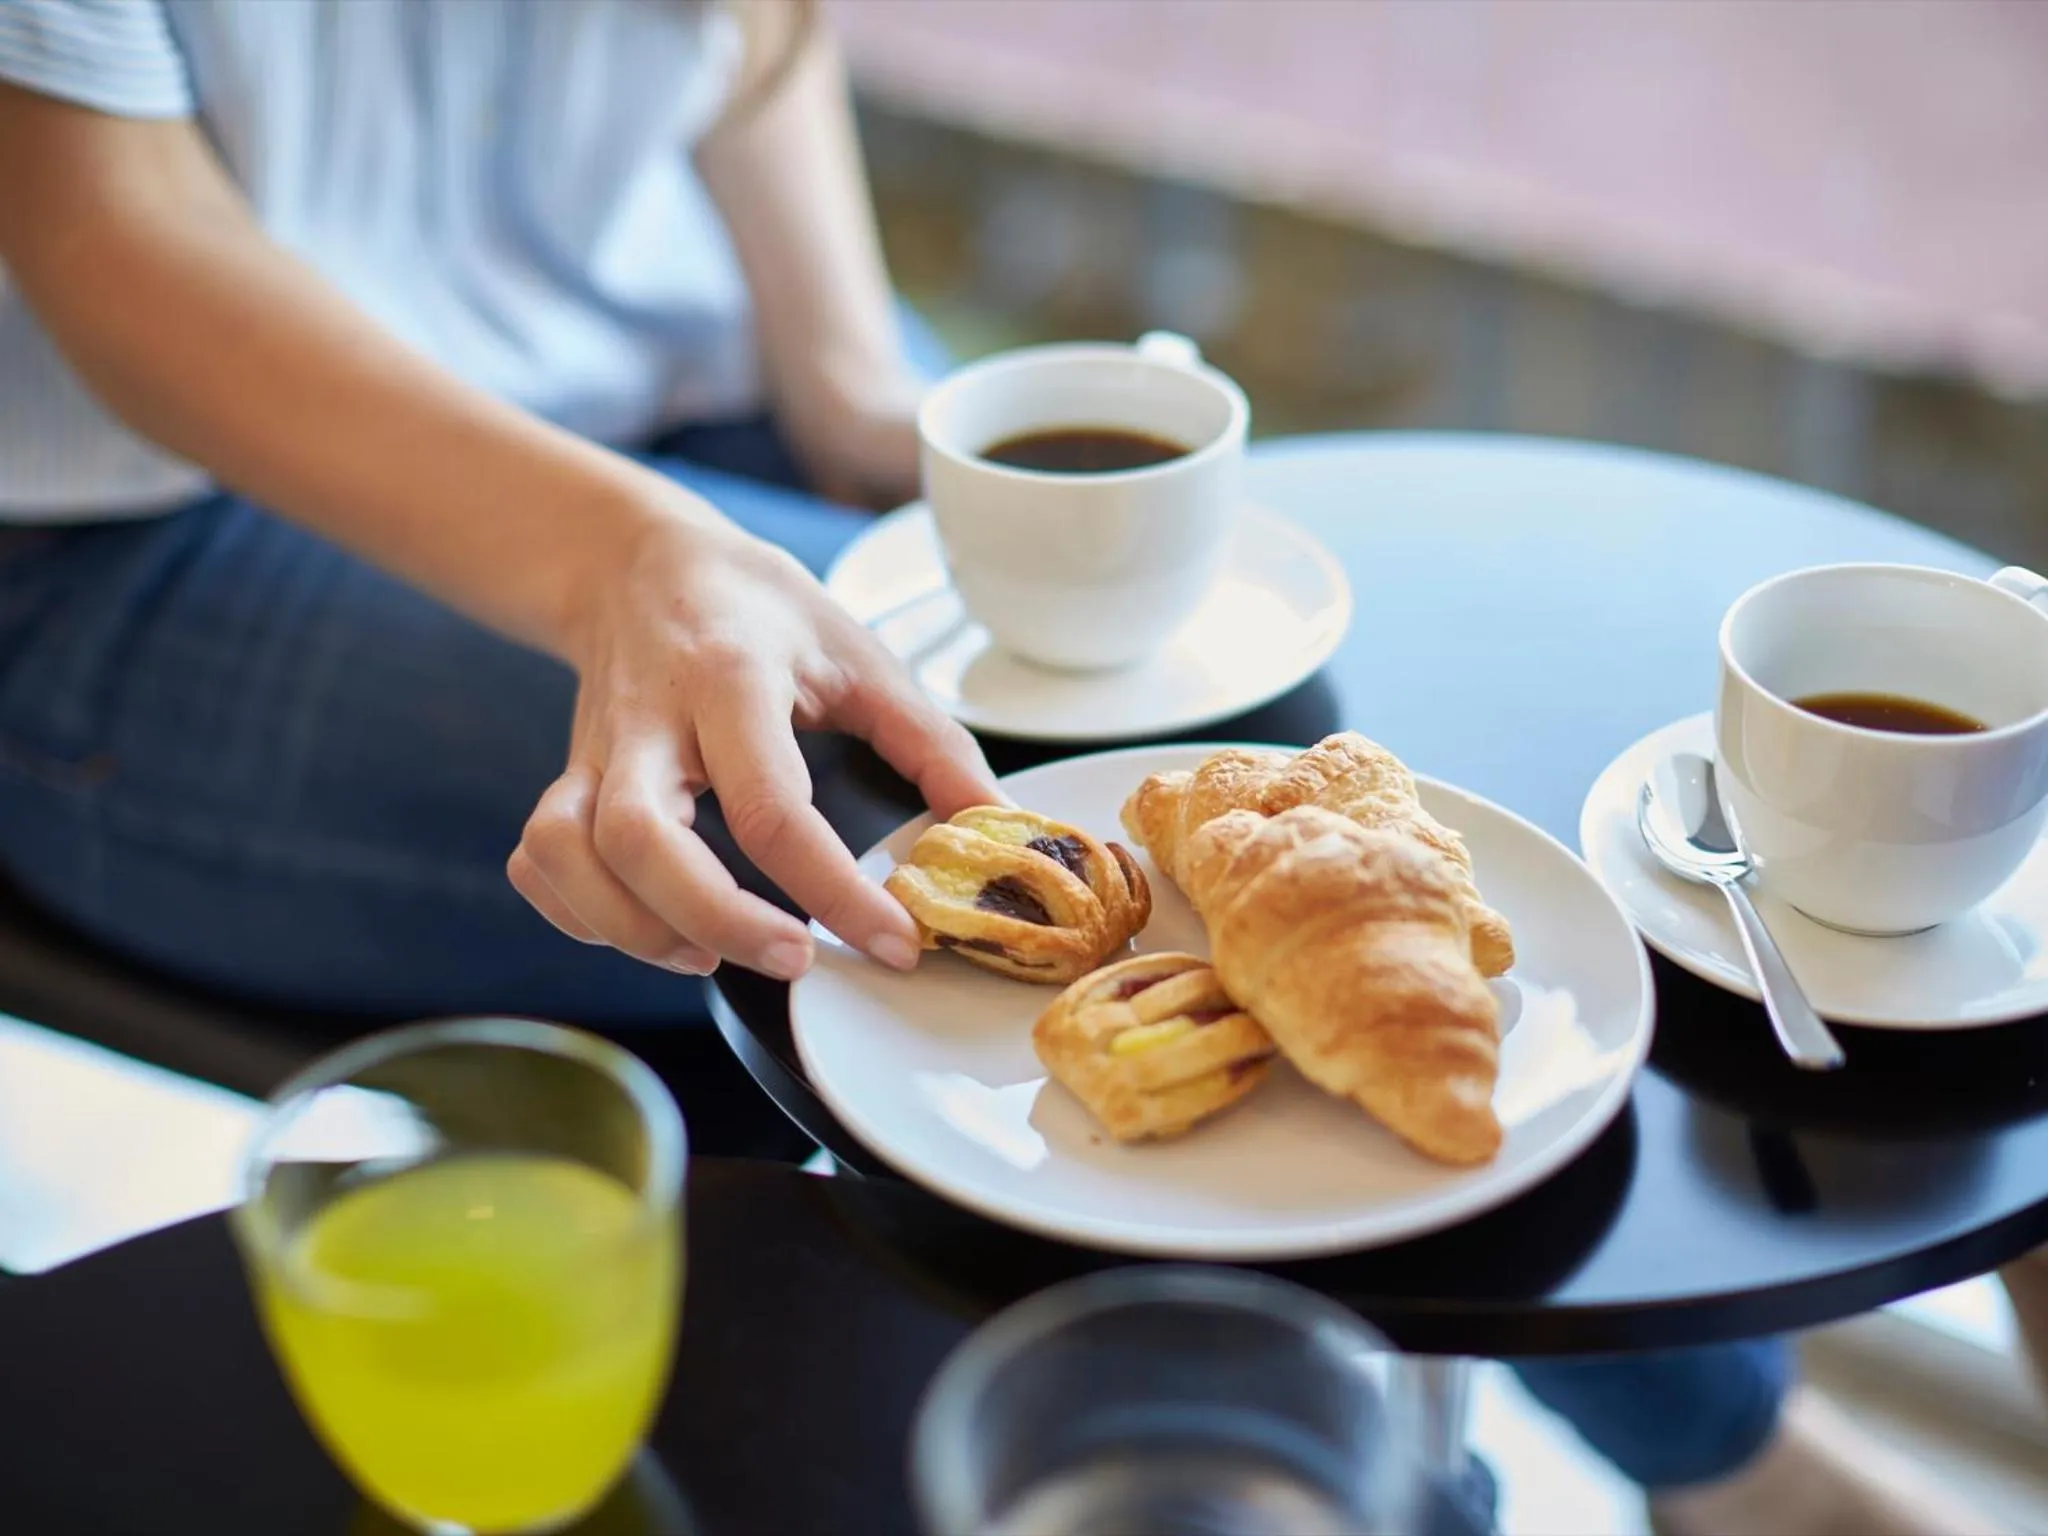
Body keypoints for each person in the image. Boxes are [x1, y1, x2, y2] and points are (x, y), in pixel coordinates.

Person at [0, 5, 2014, 1534]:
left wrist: (861, 391)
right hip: (134, 527)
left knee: (1287, 779)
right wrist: (624, 546)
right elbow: (104, 223)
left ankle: (1645, 1446)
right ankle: (1704, 1459)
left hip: (674, 426)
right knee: (911, 978)